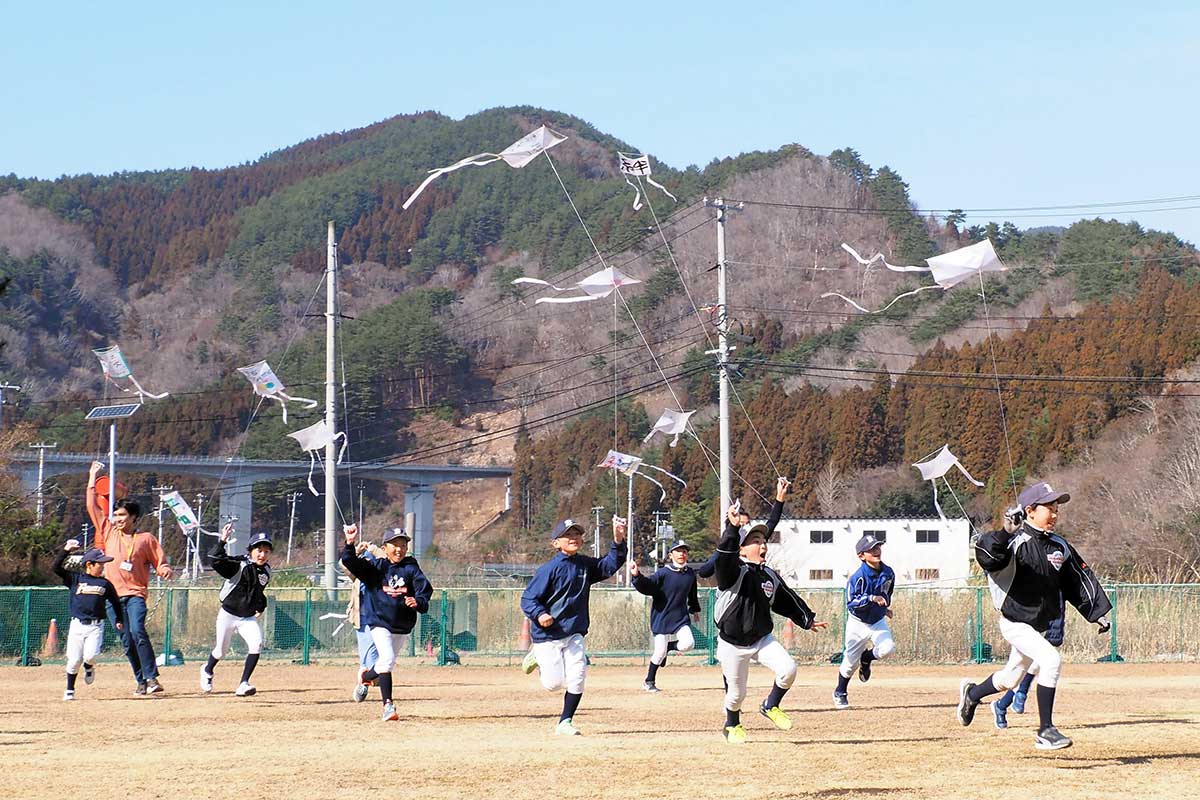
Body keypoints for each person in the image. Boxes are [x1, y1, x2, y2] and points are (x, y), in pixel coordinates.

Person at [956, 481, 1112, 750]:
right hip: (1014, 622)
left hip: (1037, 626)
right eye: (1049, 507)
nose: (1055, 513)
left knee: (1009, 679)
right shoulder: (1013, 541)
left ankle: (972, 694)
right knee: (1050, 660)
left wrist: (1096, 613)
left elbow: (1078, 580)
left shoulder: (1059, 546)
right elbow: (988, 554)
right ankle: (1045, 730)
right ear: (1030, 510)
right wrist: (1006, 532)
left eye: (1057, 508)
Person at [714, 478, 828, 744]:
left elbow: (787, 599)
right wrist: (732, 528)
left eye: (764, 540)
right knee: (735, 696)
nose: (763, 544)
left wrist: (806, 619)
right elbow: (725, 555)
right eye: (756, 540)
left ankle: (770, 705)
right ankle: (732, 725)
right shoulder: (732, 572)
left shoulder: (769, 576)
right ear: (742, 547)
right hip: (732, 643)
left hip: (761, 639)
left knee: (789, 668)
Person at [520, 515, 628, 735]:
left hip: (574, 633)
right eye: (568, 535)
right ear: (555, 543)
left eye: (577, 534)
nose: (574, 538)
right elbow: (528, 599)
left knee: (578, 677)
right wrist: (540, 614)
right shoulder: (548, 570)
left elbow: (609, 565)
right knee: (553, 684)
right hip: (548, 635)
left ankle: (565, 722)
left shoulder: (585, 565)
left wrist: (617, 540)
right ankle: (536, 656)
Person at [86, 460, 174, 695]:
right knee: (126, 641)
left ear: (134, 517)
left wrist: (164, 569)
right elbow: (92, 507)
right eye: (115, 514)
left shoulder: (146, 539)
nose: (117, 518)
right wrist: (92, 478)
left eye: (122, 514)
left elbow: (160, 561)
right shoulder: (107, 530)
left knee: (137, 631)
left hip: (135, 595)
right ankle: (141, 681)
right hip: (113, 598)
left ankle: (152, 678)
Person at [341, 525, 432, 721]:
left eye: (403, 545)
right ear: (384, 547)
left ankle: (365, 678)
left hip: (402, 624)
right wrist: (350, 543)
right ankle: (388, 707)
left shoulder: (410, 567)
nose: (399, 549)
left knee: (385, 663)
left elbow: (424, 589)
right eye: (394, 545)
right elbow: (349, 562)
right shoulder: (377, 567)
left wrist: (419, 601)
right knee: (388, 659)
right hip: (379, 622)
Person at [201, 524, 272, 697]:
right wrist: (222, 541)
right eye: (258, 550)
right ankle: (207, 670)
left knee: (256, 645)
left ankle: (243, 684)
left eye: (266, 551)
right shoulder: (239, 564)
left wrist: (261, 605)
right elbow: (214, 559)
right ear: (250, 550)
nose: (262, 554)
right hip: (228, 614)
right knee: (220, 651)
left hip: (247, 618)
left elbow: (259, 592)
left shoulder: (267, 571)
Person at [53, 540, 125, 700]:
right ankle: (70, 690)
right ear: (89, 564)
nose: (102, 566)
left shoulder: (105, 583)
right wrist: (66, 550)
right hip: (77, 626)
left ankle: (89, 666)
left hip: (95, 626)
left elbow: (115, 602)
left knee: (90, 656)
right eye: (100, 564)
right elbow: (56, 568)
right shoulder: (75, 579)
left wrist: (119, 618)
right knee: (74, 660)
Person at [833, 533, 896, 709]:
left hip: (876, 620)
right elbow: (851, 603)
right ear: (861, 556)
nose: (876, 551)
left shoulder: (888, 572)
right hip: (857, 622)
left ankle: (867, 657)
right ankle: (840, 691)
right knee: (849, 664)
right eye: (871, 549)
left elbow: (887, 594)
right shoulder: (858, 577)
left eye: (878, 547)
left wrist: (884, 608)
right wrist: (871, 598)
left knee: (888, 648)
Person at [631, 539, 701, 692]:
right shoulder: (663, 573)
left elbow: (692, 593)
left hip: (680, 617)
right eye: (678, 551)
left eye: (684, 551)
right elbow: (648, 585)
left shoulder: (690, 573)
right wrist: (637, 575)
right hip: (661, 617)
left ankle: (671, 646)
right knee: (659, 653)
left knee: (688, 644)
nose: (682, 554)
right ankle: (649, 681)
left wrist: (695, 609)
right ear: (671, 555)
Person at [992, 602, 1065, 728]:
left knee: (1038, 664)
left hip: (1045, 622)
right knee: (1014, 675)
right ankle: (1006, 699)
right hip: (1024, 622)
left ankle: (1002, 704)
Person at [345, 541, 381, 703]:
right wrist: (356, 551)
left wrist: (373, 549)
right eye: (363, 562)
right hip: (362, 619)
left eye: (369, 562)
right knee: (367, 655)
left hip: (381, 618)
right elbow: (344, 564)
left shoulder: (381, 573)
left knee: (381, 655)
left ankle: (370, 679)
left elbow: (387, 558)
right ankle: (364, 683)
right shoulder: (357, 577)